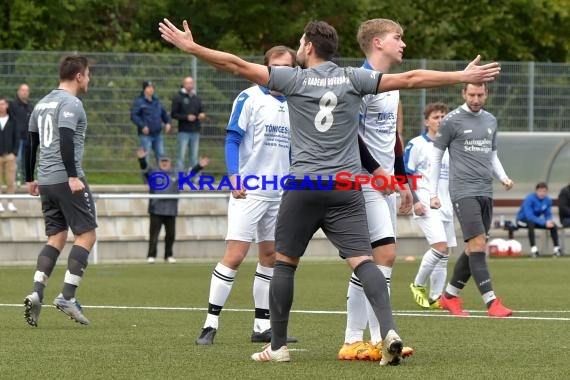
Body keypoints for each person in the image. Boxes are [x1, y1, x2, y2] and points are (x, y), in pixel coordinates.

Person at [159, 18, 501, 365]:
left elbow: (234, 64)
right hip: (347, 187)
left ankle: (277, 347)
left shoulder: (293, 78)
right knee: (364, 261)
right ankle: (387, 331)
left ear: (308, 46)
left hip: (304, 186)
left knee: (285, 264)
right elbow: (412, 78)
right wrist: (461, 76)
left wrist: (192, 47)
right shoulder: (355, 77)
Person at [195, 46, 299, 346]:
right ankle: (210, 324)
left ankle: (261, 326)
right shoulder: (249, 97)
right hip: (250, 190)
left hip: (280, 192)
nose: (282, 72)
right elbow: (232, 138)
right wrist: (234, 174)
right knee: (236, 255)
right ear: (265, 68)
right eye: (277, 66)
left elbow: (292, 149)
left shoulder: (294, 102)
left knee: (270, 256)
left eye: (289, 67)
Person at [338, 18, 414, 362]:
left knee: (373, 262)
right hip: (362, 182)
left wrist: (402, 180)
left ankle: (361, 339)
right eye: (398, 38)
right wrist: (376, 171)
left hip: (384, 183)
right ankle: (375, 337)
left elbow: (394, 138)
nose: (403, 44)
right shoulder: (358, 82)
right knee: (383, 257)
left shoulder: (391, 84)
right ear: (378, 42)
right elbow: (349, 136)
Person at [429, 82, 514, 318]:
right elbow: (436, 157)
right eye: (471, 94)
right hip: (463, 190)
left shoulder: (490, 121)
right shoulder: (452, 120)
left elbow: (492, 155)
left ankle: (449, 296)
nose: (476, 99)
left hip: (485, 190)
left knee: (474, 246)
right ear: (463, 94)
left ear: (486, 94)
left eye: (480, 94)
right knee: (477, 243)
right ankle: (491, 302)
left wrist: (503, 177)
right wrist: (432, 193)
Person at [23, 55, 96, 327]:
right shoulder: (71, 103)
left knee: (56, 236)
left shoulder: (41, 103)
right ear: (79, 76)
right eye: (88, 74)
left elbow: (31, 143)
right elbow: (65, 138)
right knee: (87, 235)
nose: (89, 79)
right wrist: (73, 176)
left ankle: (37, 292)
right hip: (66, 180)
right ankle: (67, 296)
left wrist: (30, 177)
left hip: (45, 180)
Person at [405, 102, 457, 309]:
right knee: (439, 247)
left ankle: (436, 297)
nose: (440, 120)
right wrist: (416, 201)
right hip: (425, 203)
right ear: (427, 121)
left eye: (443, 116)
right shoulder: (417, 144)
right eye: (436, 117)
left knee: (444, 255)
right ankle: (417, 285)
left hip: (445, 204)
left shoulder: (449, 146)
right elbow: (406, 174)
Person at [138, 147, 209, 264]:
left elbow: (190, 174)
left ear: (170, 162)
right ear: (159, 162)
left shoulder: (176, 173)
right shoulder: (154, 173)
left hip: (171, 209)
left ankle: (168, 255)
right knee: (154, 235)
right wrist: (141, 159)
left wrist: (199, 166)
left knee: (170, 235)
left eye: (166, 161)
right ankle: (151, 255)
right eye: (162, 161)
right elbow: (144, 169)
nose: (164, 163)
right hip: (156, 209)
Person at [515, 182, 562, 257]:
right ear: (536, 191)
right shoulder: (529, 199)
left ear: (546, 192)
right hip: (522, 220)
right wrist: (544, 222)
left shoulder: (547, 200)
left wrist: (548, 221)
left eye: (544, 191)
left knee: (553, 225)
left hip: (536, 221)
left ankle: (557, 249)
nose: (542, 193)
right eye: (540, 191)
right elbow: (529, 216)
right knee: (531, 223)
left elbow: (548, 214)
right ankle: (534, 250)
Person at [131, 81, 172, 165]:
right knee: (145, 159)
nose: (151, 89)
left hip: (157, 135)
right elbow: (134, 116)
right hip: (146, 136)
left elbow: (163, 113)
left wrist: (168, 122)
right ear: (144, 89)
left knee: (161, 158)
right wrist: (142, 126)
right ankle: (146, 178)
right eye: (149, 87)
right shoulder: (139, 102)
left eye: (152, 87)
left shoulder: (157, 101)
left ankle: (160, 177)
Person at [171, 76, 207, 171]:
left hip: (195, 130)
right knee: (181, 156)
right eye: (187, 83)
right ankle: (178, 178)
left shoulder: (196, 98)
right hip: (183, 131)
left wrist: (202, 115)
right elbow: (173, 114)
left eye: (191, 83)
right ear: (183, 84)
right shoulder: (178, 98)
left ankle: (194, 177)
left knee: (194, 157)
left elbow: (202, 111)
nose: (190, 85)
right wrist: (186, 117)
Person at [9, 83, 34, 186]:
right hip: (17, 139)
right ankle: (13, 181)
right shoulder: (12, 106)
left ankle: (25, 182)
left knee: (27, 161)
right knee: (16, 161)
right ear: (18, 92)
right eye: (22, 90)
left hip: (28, 138)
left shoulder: (31, 107)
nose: (24, 92)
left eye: (26, 90)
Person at [0, 96, 19, 213]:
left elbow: (17, 138)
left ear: (7, 105)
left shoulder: (12, 121)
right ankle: (0, 203)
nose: (1, 106)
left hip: (9, 156)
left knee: (10, 180)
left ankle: (10, 202)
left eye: (2, 104)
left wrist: (14, 153)